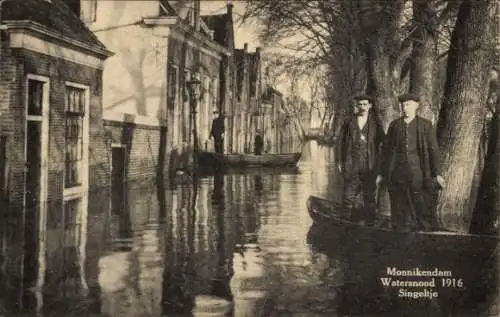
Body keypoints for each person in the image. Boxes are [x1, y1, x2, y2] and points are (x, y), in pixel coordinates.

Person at [376, 93, 445, 232]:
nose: (404, 108)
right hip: (397, 173)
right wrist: (382, 173)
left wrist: (437, 173)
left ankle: (426, 234)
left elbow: (434, 150)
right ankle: (400, 234)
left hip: (418, 173)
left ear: (416, 106)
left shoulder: (425, 125)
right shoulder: (395, 125)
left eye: (408, 104)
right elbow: (386, 152)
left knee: (421, 204)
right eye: (403, 105)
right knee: (399, 205)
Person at [337, 94, 385, 225]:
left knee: (369, 198)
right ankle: (344, 226)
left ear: (370, 106)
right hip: (352, 164)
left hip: (370, 166)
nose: (363, 107)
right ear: (357, 106)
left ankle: (370, 227)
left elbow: (383, 144)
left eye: (365, 104)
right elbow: (340, 142)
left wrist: (380, 170)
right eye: (360, 105)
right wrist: (339, 162)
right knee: (348, 197)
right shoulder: (349, 122)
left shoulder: (375, 123)